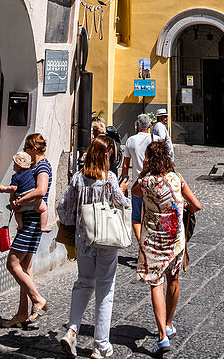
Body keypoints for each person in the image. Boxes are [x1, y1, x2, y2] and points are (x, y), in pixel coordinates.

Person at [57, 136, 128, 359]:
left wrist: (74, 223)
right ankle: (100, 345)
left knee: (83, 284)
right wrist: (123, 190)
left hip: (83, 240)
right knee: (105, 289)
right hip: (106, 241)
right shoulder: (110, 179)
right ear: (105, 155)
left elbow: (63, 206)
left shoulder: (79, 178)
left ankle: (71, 330)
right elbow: (122, 205)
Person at [134, 140, 201, 354]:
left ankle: (162, 335)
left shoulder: (146, 182)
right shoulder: (177, 179)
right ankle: (169, 324)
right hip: (175, 240)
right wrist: (182, 204)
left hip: (153, 241)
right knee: (174, 279)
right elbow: (197, 205)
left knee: (156, 284)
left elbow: (134, 192)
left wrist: (143, 171)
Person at [3, 132, 52, 327]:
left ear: (33, 148)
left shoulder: (42, 166)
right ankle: (22, 313)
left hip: (32, 219)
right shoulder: (33, 166)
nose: (25, 151)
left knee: (12, 263)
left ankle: (38, 299)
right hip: (30, 217)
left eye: (26, 148)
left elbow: (41, 190)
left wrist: (19, 201)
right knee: (25, 267)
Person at [0, 151, 50, 234]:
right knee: (44, 210)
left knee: (17, 212)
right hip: (33, 199)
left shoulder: (15, 176)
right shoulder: (30, 171)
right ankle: (43, 226)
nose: (13, 166)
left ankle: (20, 225)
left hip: (21, 199)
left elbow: (13, 189)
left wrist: (4, 189)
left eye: (14, 164)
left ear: (18, 166)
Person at [122, 113, 153, 241]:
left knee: (136, 217)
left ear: (138, 125)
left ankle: (141, 244)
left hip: (137, 183)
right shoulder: (155, 139)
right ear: (149, 126)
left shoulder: (131, 140)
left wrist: (124, 180)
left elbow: (125, 165)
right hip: (153, 182)